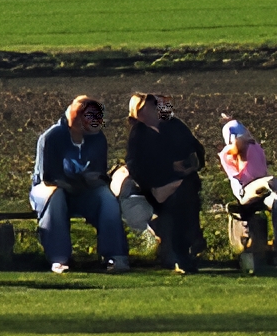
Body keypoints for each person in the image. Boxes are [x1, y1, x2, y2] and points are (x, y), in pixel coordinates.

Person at [33, 95, 129, 275]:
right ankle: (59, 259)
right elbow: (49, 177)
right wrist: (78, 181)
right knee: (56, 195)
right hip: (48, 189)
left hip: (82, 191)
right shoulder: (52, 137)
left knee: (106, 198)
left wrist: (95, 180)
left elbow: (98, 172)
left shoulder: (98, 139)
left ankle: (116, 256)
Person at [126, 93, 208, 274]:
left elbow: (196, 149)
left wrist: (190, 165)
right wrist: (165, 171)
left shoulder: (174, 126)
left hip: (183, 182)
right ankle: (191, 241)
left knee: (183, 196)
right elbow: (136, 165)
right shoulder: (138, 135)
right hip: (156, 187)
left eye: (150, 107)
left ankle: (184, 252)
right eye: (143, 109)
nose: (149, 111)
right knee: (181, 202)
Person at [220, 117, 277, 251]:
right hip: (246, 192)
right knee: (272, 181)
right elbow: (236, 149)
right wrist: (241, 142)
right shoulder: (227, 154)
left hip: (263, 191)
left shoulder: (254, 147)